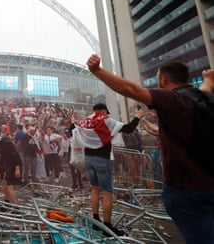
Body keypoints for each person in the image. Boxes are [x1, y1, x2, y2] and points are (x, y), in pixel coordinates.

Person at [86, 54, 214, 243]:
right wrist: (208, 80)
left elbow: (130, 89)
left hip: (187, 189)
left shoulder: (171, 99)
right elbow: (204, 89)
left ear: (164, 80)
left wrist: (97, 71)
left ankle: (98, 218)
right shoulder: (203, 99)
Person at [71, 102, 143, 236]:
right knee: (107, 192)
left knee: (94, 188)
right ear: (104, 111)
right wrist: (137, 117)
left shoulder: (86, 121)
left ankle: (96, 220)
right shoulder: (105, 120)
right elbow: (128, 128)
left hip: (88, 159)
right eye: (106, 112)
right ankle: (108, 226)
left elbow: (72, 129)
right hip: (102, 160)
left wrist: (73, 121)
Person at [0, 133, 22, 204]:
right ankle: (7, 202)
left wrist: (17, 168)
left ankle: (16, 207)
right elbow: (3, 158)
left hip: (14, 166)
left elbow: (15, 154)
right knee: (4, 186)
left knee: (9, 187)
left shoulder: (6, 143)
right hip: (8, 167)